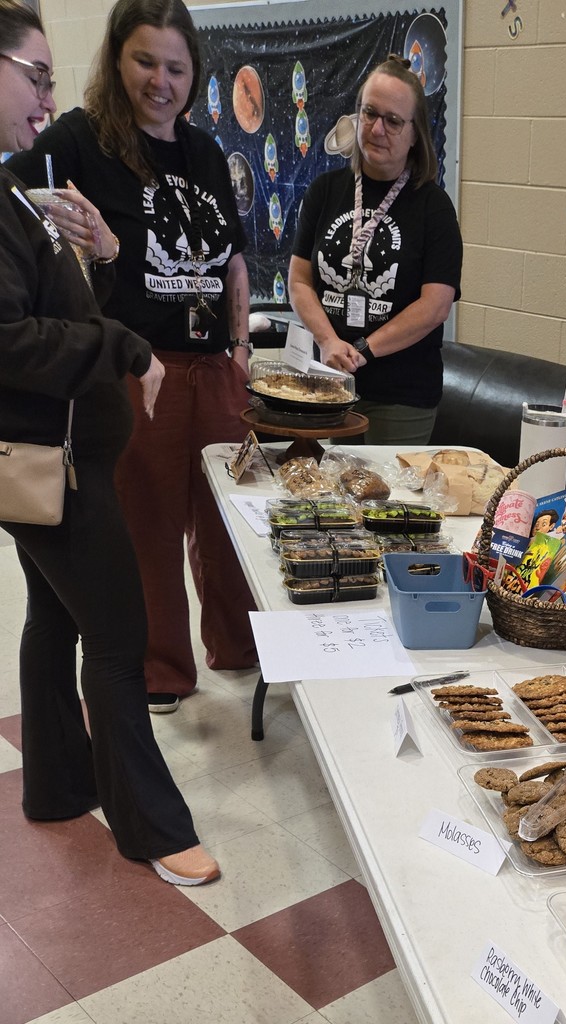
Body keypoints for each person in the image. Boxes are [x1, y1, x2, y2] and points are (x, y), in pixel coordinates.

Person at [0, 0, 218, 884]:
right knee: (121, 639)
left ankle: (58, 783)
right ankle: (153, 831)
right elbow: (11, 341)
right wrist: (120, 343)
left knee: (55, 615)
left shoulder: (15, 192)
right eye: (33, 75)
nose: (45, 96)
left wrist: (95, 252)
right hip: (48, 462)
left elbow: (52, 305)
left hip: (56, 456)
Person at [8, 0, 257, 714]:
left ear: (194, 73)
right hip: (139, 368)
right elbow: (13, 188)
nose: (160, 82)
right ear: (117, 59)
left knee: (227, 521)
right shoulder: (80, 139)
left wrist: (241, 349)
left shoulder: (205, 152)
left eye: (176, 68)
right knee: (147, 523)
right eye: (145, 61)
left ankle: (240, 647)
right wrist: (68, 238)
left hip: (215, 367)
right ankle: (162, 669)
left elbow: (234, 261)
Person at [289, 54, 463, 445]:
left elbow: (435, 305)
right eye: (369, 113)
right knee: (321, 483)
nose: (377, 129)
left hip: (400, 395)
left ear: (415, 134)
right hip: (329, 381)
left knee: (384, 487)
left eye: (393, 120)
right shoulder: (324, 191)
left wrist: (364, 349)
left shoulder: (433, 207)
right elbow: (299, 281)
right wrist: (328, 341)